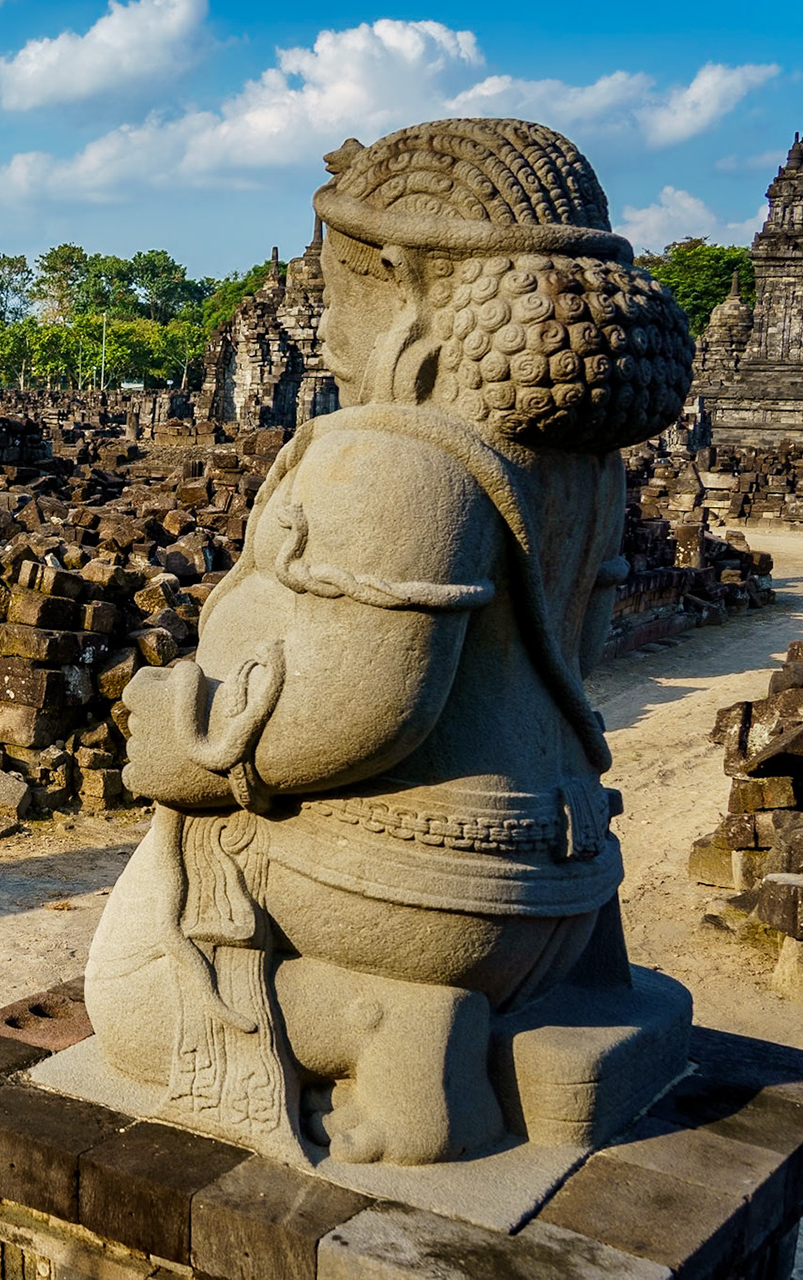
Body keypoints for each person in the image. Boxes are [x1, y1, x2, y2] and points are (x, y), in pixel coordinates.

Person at [89, 119, 694, 1165]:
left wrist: (193, 752)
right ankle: (522, 1032)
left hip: (417, 893)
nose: (325, 335)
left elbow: (370, 708)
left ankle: (389, 1031)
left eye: (336, 297)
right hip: (565, 883)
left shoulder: (397, 457)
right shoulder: (588, 469)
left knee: (135, 984)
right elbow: (579, 651)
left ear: (407, 287)